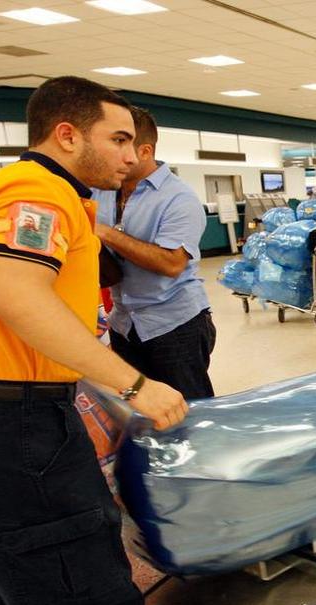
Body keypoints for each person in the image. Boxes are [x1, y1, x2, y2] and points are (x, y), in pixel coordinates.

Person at [0, 76, 186, 605]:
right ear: (66, 135)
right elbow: (20, 297)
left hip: (1, 420)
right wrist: (135, 386)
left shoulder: (45, 193)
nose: (131, 157)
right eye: (120, 140)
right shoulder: (35, 193)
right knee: (87, 603)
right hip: (15, 428)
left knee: (13, 590)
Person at [94, 107, 216, 399]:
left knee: (188, 411)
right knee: (138, 411)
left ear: (145, 150)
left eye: (122, 144)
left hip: (175, 324)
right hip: (124, 324)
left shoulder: (178, 197)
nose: (115, 155)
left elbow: (172, 263)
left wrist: (105, 232)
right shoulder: (102, 190)